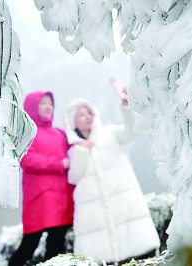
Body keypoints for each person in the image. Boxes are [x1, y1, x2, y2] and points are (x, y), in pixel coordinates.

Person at [65, 97, 161, 265]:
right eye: (81, 115)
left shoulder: (109, 132)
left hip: (122, 201)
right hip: (94, 211)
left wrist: (126, 109)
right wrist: (82, 151)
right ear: (73, 122)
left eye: (89, 112)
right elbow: (73, 177)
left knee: (136, 249)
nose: (87, 116)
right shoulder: (74, 149)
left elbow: (131, 132)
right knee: (102, 255)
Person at [9, 91, 74, 266]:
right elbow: (26, 159)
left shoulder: (60, 134)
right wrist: (59, 164)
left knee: (57, 246)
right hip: (40, 197)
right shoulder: (27, 134)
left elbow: (77, 151)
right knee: (30, 243)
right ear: (32, 107)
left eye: (50, 103)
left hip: (61, 198)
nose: (48, 107)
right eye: (43, 103)